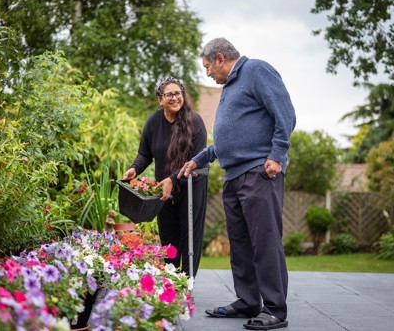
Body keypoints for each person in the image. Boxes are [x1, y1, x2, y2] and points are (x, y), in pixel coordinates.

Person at [178, 38, 296, 330]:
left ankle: (275, 309)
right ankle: (248, 301)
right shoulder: (230, 87)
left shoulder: (256, 71)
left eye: (207, 67)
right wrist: (200, 158)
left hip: (259, 171)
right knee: (241, 245)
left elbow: (286, 114)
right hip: (234, 176)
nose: (207, 74)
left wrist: (277, 154)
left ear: (220, 58)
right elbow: (229, 139)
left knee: (265, 242)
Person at [123, 76, 208, 277]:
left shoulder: (195, 122)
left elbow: (197, 159)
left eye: (178, 93)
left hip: (191, 186)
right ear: (160, 99)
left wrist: (173, 178)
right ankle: (170, 281)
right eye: (169, 94)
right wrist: (135, 169)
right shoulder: (153, 122)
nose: (175, 98)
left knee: (189, 238)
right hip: (164, 189)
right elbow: (145, 154)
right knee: (168, 238)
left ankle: (187, 282)